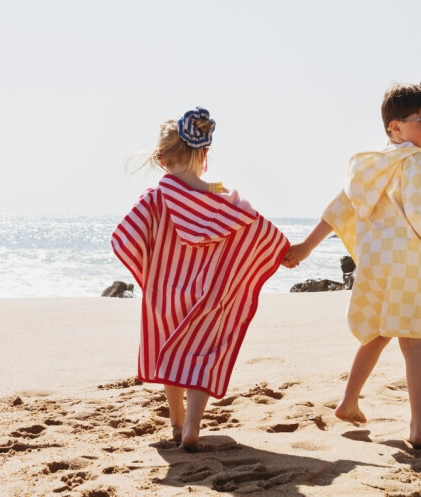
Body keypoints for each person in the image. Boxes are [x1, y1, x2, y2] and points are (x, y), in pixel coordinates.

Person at [283, 84, 421, 449]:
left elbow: (340, 209)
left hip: (377, 268)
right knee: (414, 342)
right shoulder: (416, 161)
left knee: (377, 334)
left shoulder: (369, 167)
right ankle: (418, 427)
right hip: (412, 267)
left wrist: (307, 247)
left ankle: (348, 402)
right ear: (396, 127)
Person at [112, 107, 289, 452]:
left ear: (162, 159)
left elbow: (125, 237)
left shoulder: (155, 199)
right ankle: (193, 425)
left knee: (170, 352)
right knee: (201, 355)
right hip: (208, 295)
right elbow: (257, 227)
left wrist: (148, 268)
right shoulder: (222, 200)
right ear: (205, 153)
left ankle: (176, 421)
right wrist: (285, 250)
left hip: (164, 295)